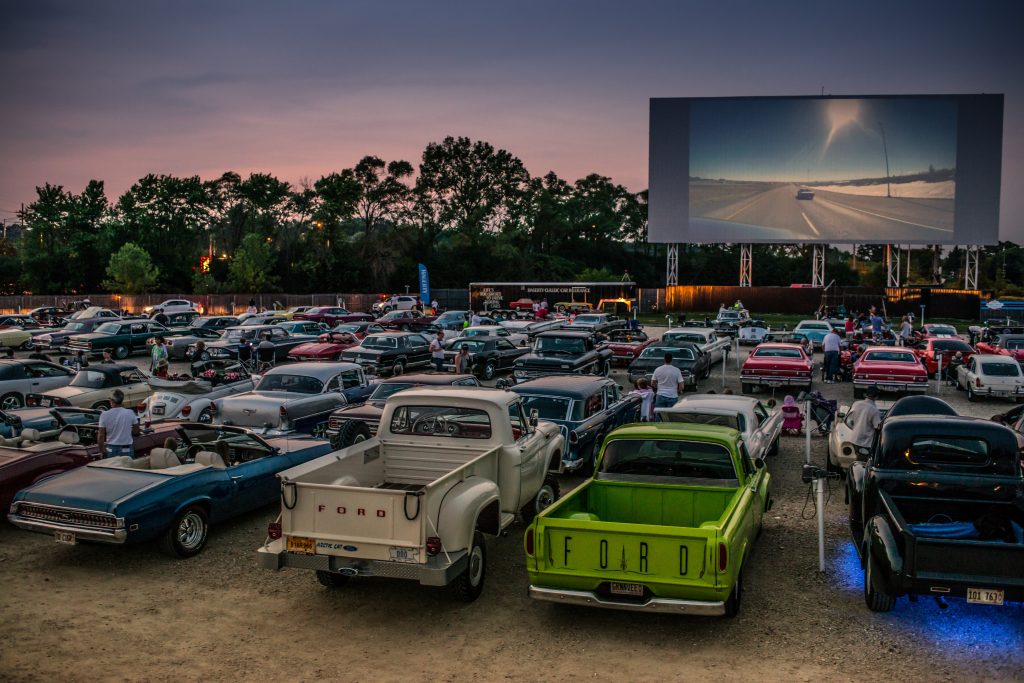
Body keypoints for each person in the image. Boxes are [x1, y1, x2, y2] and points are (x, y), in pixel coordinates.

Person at [97, 389, 140, 458]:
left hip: (111, 449)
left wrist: (101, 451)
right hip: (126, 449)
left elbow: (101, 436)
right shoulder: (130, 412)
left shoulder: (104, 415)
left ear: (111, 401)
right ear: (122, 400)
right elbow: (136, 431)